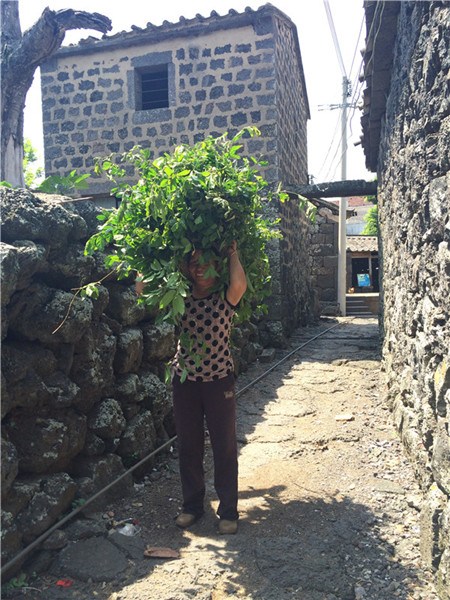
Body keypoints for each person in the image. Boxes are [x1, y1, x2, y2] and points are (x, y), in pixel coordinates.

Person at [171, 240, 247, 534]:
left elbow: (239, 284)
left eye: (205, 262)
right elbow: (142, 292)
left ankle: (228, 511)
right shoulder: (178, 298)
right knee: (188, 445)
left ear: (217, 268)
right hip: (185, 381)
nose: (199, 268)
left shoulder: (223, 299)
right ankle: (192, 506)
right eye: (193, 263)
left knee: (224, 446)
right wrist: (159, 255)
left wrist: (232, 253)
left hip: (218, 381)